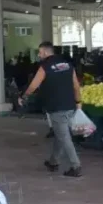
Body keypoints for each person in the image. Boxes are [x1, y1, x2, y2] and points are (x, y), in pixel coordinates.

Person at [21, 42, 83, 178]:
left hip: (56, 107)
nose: (38, 54)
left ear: (45, 52)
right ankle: (53, 162)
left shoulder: (45, 66)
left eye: (40, 52)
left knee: (64, 137)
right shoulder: (67, 65)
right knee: (60, 134)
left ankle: (76, 166)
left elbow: (33, 85)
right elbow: (76, 86)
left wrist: (24, 96)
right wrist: (78, 102)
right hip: (70, 105)